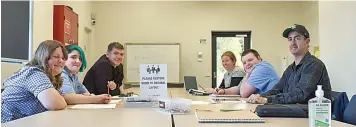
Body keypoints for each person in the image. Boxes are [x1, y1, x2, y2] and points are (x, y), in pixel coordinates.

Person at [247, 24, 332, 104]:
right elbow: (277, 90)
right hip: (295, 110)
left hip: (313, 113)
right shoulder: (291, 68)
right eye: (290, 39)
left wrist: (267, 100)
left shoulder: (314, 65)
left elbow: (300, 94)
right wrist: (260, 96)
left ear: (307, 42)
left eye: (297, 38)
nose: (293, 43)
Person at [1, 40, 68, 123]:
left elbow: (63, 98)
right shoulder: (34, 73)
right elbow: (54, 103)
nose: (61, 61)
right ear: (44, 56)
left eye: (63, 58)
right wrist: (62, 100)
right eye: (56, 57)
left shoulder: (48, 76)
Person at [214, 49, 280, 98]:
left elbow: (243, 93)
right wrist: (224, 91)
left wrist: (247, 74)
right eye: (244, 63)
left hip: (272, 107)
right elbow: (238, 88)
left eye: (250, 60)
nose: (247, 64)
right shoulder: (252, 71)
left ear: (259, 58)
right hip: (262, 105)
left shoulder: (262, 67)